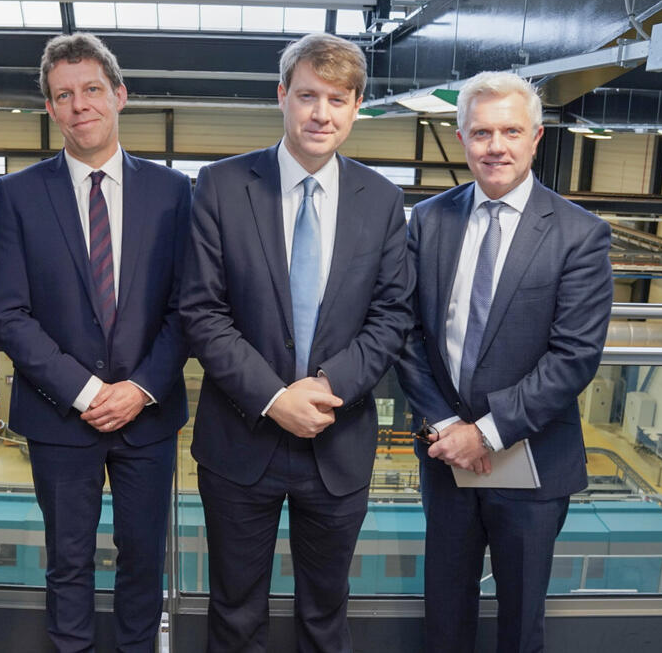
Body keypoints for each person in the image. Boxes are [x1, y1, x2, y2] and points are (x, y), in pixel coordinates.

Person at [180, 33, 414, 652]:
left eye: (337, 99)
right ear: (281, 95)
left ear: (357, 106)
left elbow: (393, 316)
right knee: (234, 612)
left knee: (325, 614)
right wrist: (274, 397)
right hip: (241, 440)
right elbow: (202, 311)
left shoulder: (384, 200)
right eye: (307, 95)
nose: (321, 114)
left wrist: (328, 386)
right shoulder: (223, 186)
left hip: (336, 443)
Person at [0, 33, 191, 652]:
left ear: (120, 96)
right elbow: (9, 312)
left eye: (92, 90)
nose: (80, 105)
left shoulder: (174, 191)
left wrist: (140, 389)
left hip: (146, 416)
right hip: (59, 418)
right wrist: (84, 390)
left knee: (142, 564)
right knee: (67, 563)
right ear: (50, 109)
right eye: (64, 95)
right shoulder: (20, 194)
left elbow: (190, 307)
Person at [396, 71, 614, 652]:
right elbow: (407, 333)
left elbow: (574, 357)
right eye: (482, 133)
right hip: (446, 460)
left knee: (521, 625)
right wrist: (448, 428)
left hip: (533, 463)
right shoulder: (429, 220)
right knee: (444, 615)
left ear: (536, 137)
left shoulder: (580, 234)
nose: (497, 147)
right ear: (463, 138)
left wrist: (487, 434)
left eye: (511, 131)